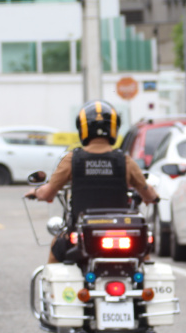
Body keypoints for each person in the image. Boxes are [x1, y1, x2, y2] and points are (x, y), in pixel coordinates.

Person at [25, 100, 160, 263]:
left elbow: (48, 192)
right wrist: (152, 197)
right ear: (114, 129)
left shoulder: (72, 160)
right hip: (121, 236)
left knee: (56, 247)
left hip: (82, 237)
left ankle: (55, 290)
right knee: (143, 254)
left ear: (82, 129)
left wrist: (36, 192)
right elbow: (148, 191)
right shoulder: (124, 161)